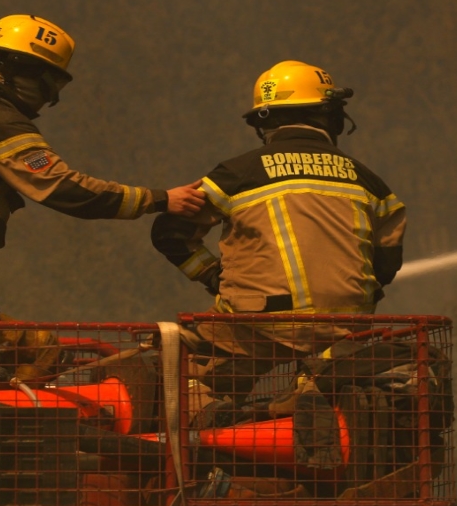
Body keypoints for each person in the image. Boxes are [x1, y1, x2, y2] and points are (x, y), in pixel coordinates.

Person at [0, 14, 206, 382]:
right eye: (47, 86)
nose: (50, 100)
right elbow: (64, 189)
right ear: (19, 71)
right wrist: (160, 199)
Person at [151, 60, 406, 404]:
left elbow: (169, 232)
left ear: (263, 124)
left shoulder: (237, 173)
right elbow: (386, 261)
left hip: (256, 325)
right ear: (330, 117)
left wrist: (213, 276)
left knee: (190, 377)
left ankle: (212, 419)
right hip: (344, 327)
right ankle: (309, 394)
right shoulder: (370, 181)